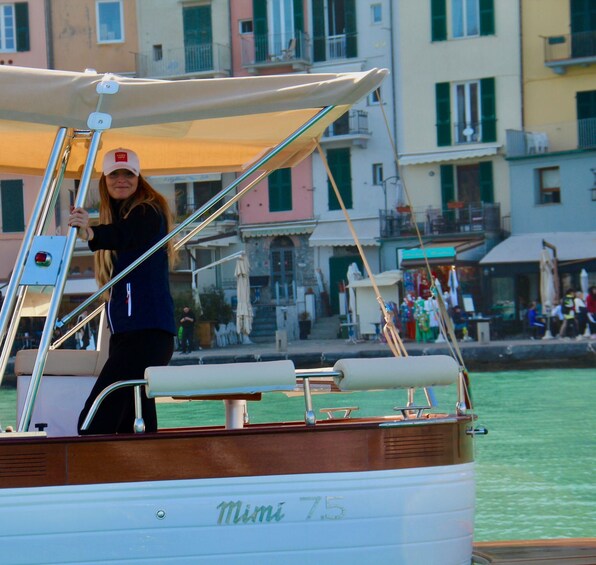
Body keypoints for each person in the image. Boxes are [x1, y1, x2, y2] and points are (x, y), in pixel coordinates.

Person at [69, 148, 176, 434]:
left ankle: (89, 474)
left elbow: (126, 235)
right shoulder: (121, 218)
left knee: (92, 422)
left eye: (128, 173)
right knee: (136, 420)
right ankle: (147, 473)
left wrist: (90, 233)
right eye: (114, 174)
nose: (121, 180)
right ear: (104, 180)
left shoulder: (149, 211)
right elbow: (121, 233)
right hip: (131, 335)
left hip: (145, 334)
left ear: (138, 178)